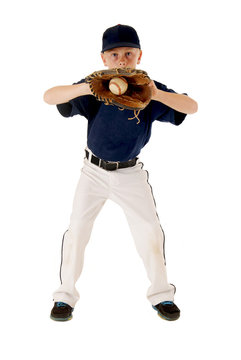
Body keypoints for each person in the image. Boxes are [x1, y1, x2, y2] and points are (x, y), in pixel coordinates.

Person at [44, 24, 198, 322]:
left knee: (150, 231)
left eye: (129, 53)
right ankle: (64, 297)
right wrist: (86, 87)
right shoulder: (95, 86)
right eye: (115, 54)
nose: (122, 59)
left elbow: (191, 107)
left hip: (130, 174)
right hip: (93, 171)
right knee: (77, 230)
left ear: (139, 55)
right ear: (104, 59)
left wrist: (156, 94)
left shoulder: (148, 88)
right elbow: (49, 97)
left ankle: (162, 295)